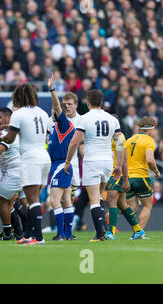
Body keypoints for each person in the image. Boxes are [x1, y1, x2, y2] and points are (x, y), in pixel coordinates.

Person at [64, 90, 125, 242]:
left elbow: (75, 142)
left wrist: (67, 161)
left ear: (87, 102)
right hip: (107, 162)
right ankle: (104, 229)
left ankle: (100, 234)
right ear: (102, 102)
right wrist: (118, 165)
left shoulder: (84, 119)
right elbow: (120, 144)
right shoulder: (112, 119)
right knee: (99, 197)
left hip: (91, 161)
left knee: (94, 200)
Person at [0, 84, 52, 245]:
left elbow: (10, 139)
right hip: (44, 157)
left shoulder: (18, 113)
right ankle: (28, 235)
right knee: (32, 198)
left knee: (32, 199)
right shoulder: (42, 113)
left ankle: (39, 238)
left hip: (30, 158)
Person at [47, 73, 76, 241]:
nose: (54, 111)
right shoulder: (54, 128)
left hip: (60, 165)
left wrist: (52, 89)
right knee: (66, 199)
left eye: (55, 110)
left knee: (54, 200)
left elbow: (57, 107)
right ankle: (68, 234)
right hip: (61, 165)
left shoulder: (64, 124)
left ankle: (60, 233)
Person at [105, 129, 146, 240]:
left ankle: (111, 232)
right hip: (113, 172)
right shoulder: (109, 136)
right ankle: (138, 230)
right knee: (122, 204)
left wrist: (126, 179)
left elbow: (124, 160)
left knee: (111, 199)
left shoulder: (119, 138)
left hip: (117, 173)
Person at [0, 107, 22, 241]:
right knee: (15, 202)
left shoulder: (9, 133)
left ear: (8, 118)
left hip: (15, 170)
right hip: (11, 170)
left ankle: (10, 232)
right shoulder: (3, 133)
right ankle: (22, 232)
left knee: (2, 199)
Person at [125, 117, 160, 237]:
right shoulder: (149, 140)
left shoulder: (129, 140)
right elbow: (150, 159)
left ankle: (111, 215)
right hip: (141, 177)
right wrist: (156, 171)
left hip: (128, 177)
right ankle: (139, 233)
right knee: (147, 205)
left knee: (132, 207)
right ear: (150, 129)